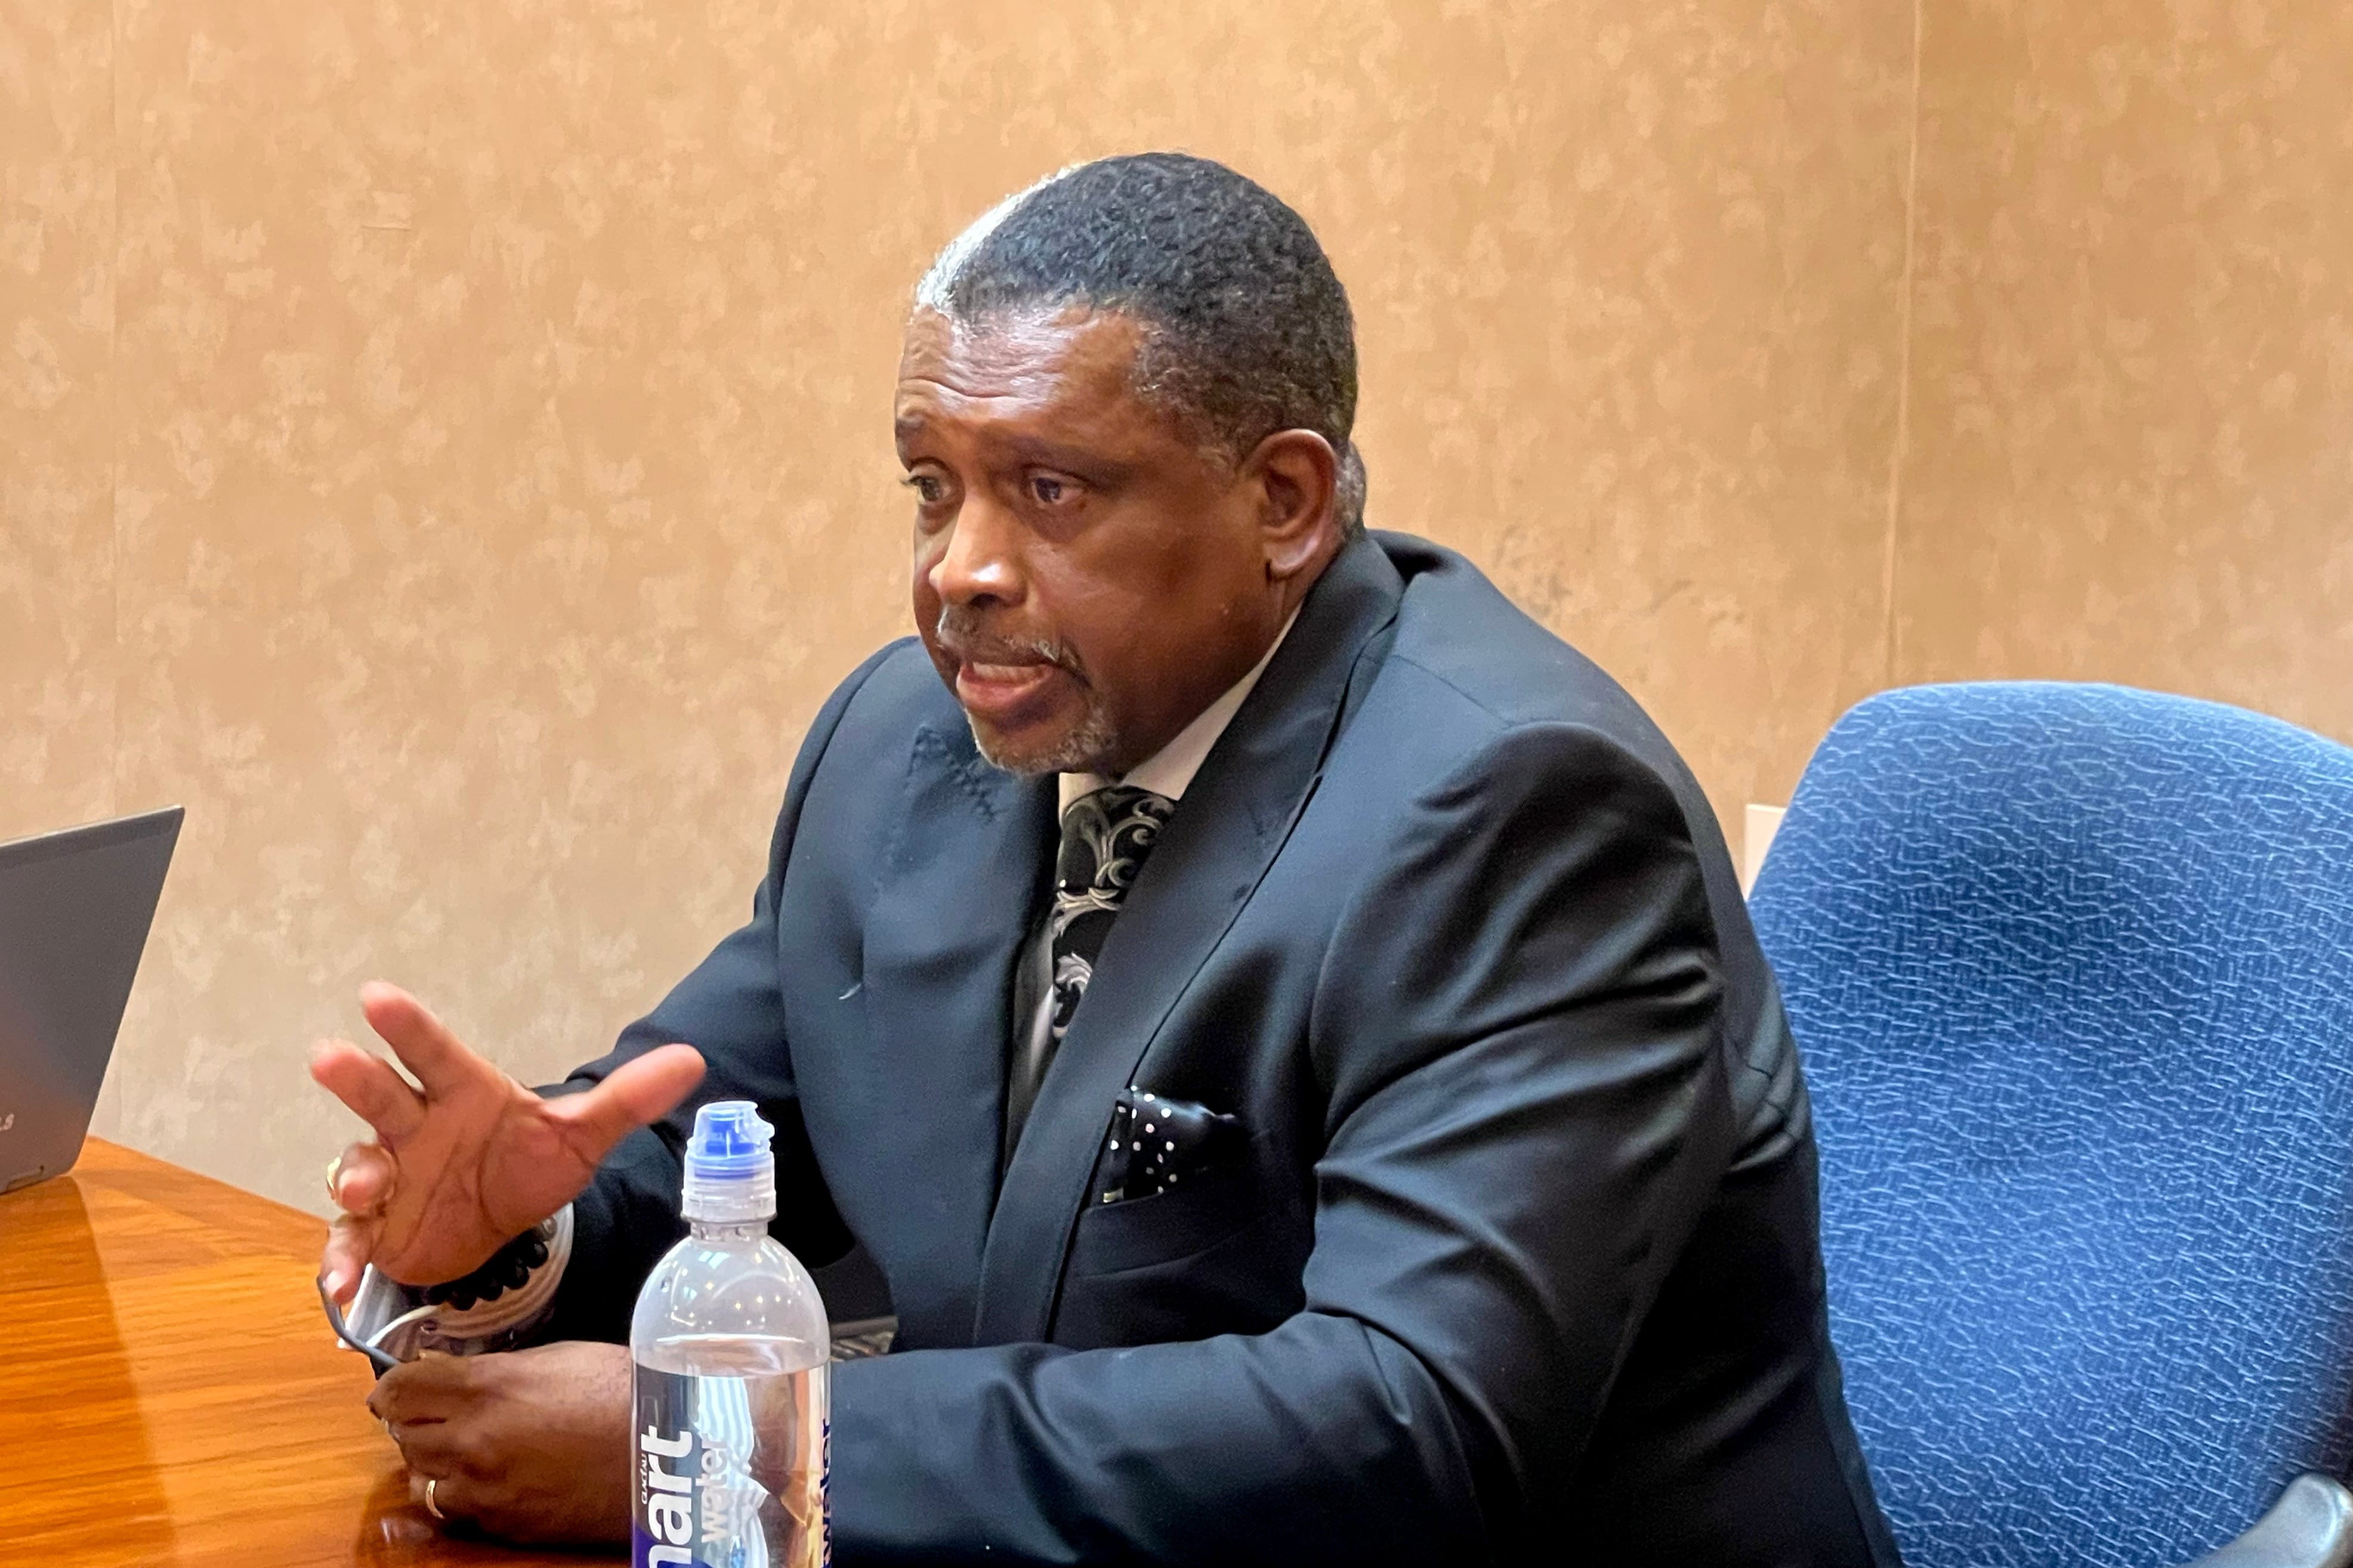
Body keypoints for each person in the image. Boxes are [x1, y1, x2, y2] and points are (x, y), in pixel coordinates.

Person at [311, 152, 1901, 1566]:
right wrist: (523, 1243)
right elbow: (719, 1142)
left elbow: (1413, 1427)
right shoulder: (912, 742)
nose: (961, 571)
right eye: (936, 487)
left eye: (1049, 490)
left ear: (1284, 501)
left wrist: (736, 1456)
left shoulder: (1518, 811)